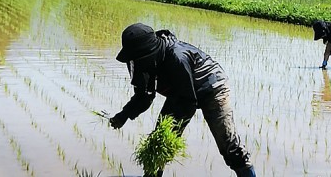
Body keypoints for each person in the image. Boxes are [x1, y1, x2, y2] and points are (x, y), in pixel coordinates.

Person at [109, 23, 256, 177]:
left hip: (212, 88)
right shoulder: (142, 62)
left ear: (148, 53)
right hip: (179, 92)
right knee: (158, 144)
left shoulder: (177, 58)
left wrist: (171, 130)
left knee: (228, 144)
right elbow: (144, 96)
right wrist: (123, 115)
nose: (134, 63)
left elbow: (187, 103)